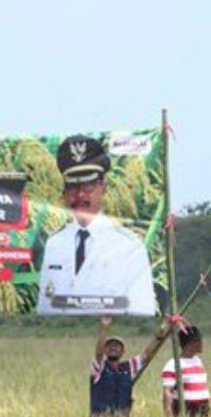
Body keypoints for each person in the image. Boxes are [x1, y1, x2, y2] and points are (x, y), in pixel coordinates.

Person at [38, 135, 155, 316]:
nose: (80, 196)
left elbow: (141, 315)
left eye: (88, 186)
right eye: (73, 187)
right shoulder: (54, 244)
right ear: (65, 192)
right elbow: (44, 311)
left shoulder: (129, 247)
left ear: (103, 186)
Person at [89, 315, 172, 417]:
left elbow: (146, 355)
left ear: (123, 351)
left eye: (117, 345)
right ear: (105, 350)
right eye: (109, 345)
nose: (113, 347)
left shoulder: (129, 367)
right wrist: (105, 328)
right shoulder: (99, 367)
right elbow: (98, 353)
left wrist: (163, 330)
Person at [161, 325, 210, 417]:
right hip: (186, 409)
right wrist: (169, 416)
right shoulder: (173, 364)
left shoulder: (198, 361)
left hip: (202, 408)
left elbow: (203, 386)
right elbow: (167, 392)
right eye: (199, 341)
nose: (202, 344)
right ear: (191, 343)